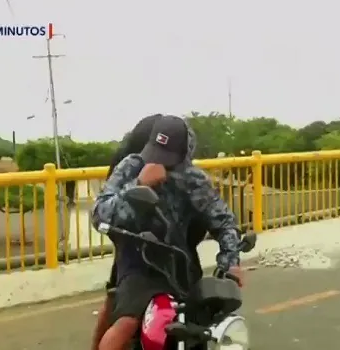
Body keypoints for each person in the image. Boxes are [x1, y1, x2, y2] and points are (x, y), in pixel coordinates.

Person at [91, 115, 243, 350]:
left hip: (179, 260)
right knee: (126, 322)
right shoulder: (131, 166)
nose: (160, 162)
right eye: (156, 152)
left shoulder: (193, 179)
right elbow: (99, 213)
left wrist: (231, 261)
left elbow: (224, 222)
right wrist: (139, 185)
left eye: (168, 157)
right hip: (139, 258)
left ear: (185, 153)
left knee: (207, 326)